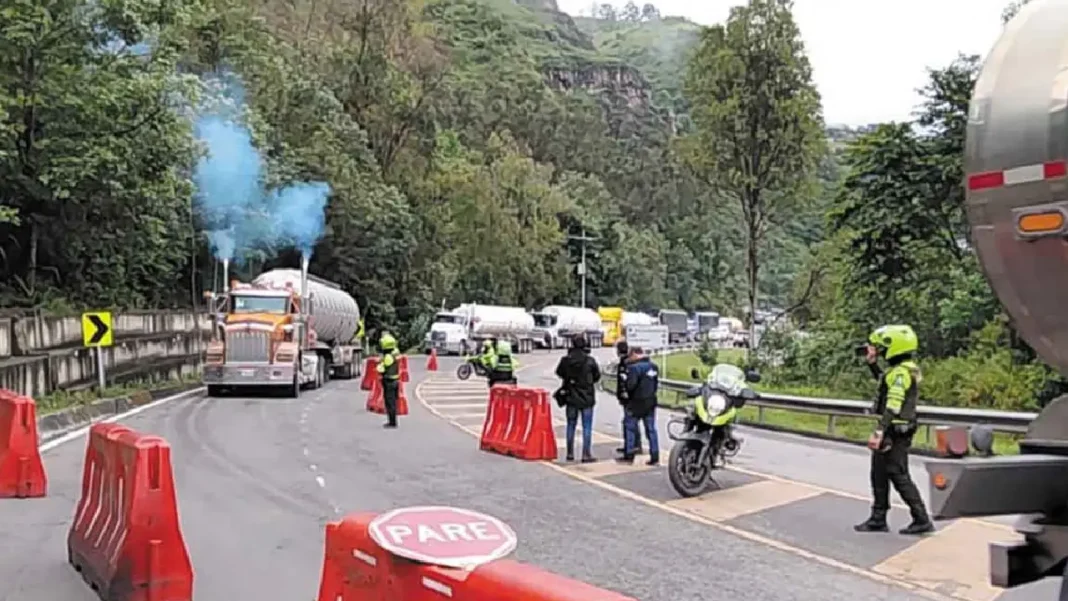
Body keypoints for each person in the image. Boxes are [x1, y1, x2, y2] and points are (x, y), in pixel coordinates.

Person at [854, 325, 934, 535]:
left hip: (896, 430)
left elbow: (893, 404)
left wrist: (880, 430)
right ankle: (878, 518)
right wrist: (872, 364)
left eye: (881, 348)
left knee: (898, 474)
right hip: (895, 428)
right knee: (879, 473)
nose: (879, 351)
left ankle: (921, 519)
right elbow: (885, 381)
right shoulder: (902, 370)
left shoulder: (900, 373)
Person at [554, 333, 601, 462]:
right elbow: (597, 376)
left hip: (571, 395)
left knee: (571, 424)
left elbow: (559, 372)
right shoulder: (590, 361)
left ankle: (570, 453)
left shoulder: (566, 360)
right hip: (587, 396)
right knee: (587, 426)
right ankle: (586, 454)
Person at [617, 346, 660, 465]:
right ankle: (655, 454)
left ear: (634, 354)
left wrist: (626, 385)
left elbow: (631, 385)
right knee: (651, 429)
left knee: (630, 427)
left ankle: (629, 453)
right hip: (650, 401)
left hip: (636, 403)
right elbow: (656, 384)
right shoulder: (653, 367)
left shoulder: (634, 368)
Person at [614, 339, 643, 455]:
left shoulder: (626, 363)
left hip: (629, 397)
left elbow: (624, 381)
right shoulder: (628, 361)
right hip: (630, 397)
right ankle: (632, 445)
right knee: (631, 422)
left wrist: (623, 394)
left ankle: (631, 447)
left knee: (629, 422)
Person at [375, 332, 402, 428]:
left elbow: (381, 369)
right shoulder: (395, 353)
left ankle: (392, 422)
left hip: (389, 381)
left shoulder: (388, 357)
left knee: (390, 403)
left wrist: (379, 364)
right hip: (395, 381)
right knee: (393, 402)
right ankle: (392, 421)